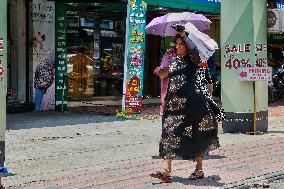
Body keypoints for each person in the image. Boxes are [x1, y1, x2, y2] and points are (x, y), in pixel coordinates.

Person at [150, 30, 223, 183]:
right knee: (169, 134)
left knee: (195, 136)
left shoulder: (193, 59)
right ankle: (166, 170)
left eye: (181, 44)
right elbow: (166, 75)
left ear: (188, 45)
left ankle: (199, 169)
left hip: (193, 105)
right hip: (174, 106)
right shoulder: (174, 60)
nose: (178, 47)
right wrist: (159, 71)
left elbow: (195, 52)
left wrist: (185, 36)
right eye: (176, 44)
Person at [154, 48, 176, 116]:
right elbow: (163, 70)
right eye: (177, 44)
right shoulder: (169, 54)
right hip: (168, 79)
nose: (178, 46)